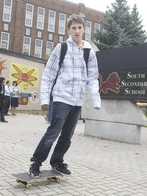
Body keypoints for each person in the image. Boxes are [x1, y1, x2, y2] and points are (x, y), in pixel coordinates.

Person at [28, 14, 101, 178]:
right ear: (68, 30)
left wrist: (95, 100)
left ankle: (57, 162)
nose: (77, 31)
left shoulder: (90, 53)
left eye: (79, 27)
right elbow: (48, 74)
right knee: (53, 133)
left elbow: (93, 77)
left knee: (67, 136)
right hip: (62, 98)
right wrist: (45, 99)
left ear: (84, 29)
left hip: (77, 101)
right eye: (73, 28)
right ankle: (35, 163)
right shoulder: (61, 48)